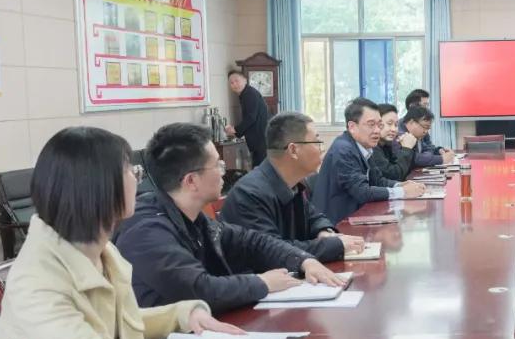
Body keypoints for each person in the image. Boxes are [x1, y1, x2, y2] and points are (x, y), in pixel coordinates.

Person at [0, 127, 268, 339]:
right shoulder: (37, 277)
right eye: (131, 171)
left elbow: (118, 323)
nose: (137, 180)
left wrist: (183, 315)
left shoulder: (99, 249)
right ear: (99, 187)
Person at [115, 123, 345, 315]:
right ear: (191, 181)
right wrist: (263, 283)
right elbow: (200, 289)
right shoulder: (146, 231)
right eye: (217, 164)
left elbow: (252, 241)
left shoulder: (194, 218)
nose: (224, 171)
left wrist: (304, 261)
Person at [220, 112, 365, 261]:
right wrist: (333, 245)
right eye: (317, 142)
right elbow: (273, 252)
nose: (321, 149)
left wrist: (324, 232)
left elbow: (314, 217)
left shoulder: (293, 184)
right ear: (293, 150)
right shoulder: (249, 194)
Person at [312, 98, 427, 224]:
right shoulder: (343, 150)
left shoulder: (364, 146)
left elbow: (378, 180)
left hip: (357, 216)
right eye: (371, 124)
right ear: (352, 127)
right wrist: (403, 192)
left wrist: (401, 185)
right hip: (337, 224)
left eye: (379, 125)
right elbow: (362, 192)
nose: (377, 130)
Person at [225, 70, 270, 165]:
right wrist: (237, 131)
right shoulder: (246, 94)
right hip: (260, 140)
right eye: (231, 83)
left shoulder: (249, 94)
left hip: (260, 141)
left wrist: (235, 129)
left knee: (259, 170)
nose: (234, 84)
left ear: (245, 80)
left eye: (236, 80)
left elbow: (251, 117)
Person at [399, 88, 452, 157]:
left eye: (427, 105)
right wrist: (431, 157)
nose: (427, 109)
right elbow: (414, 157)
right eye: (424, 105)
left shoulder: (422, 125)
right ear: (412, 106)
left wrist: (438, 150)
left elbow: (428, 146)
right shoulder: (399, 129)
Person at [371, 103, 416, 181]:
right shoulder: (372, 147)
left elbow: (404, 171)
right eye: (389, 124)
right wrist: (406, 149)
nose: (394, 129)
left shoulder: (386, 145)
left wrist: (404, 147)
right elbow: (394, 176)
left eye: (396, 125)